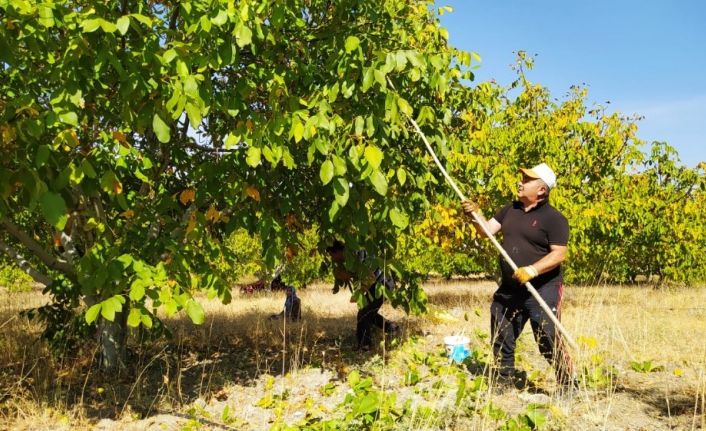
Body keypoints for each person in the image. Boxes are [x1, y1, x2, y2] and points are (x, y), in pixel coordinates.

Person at [462, 163, 575, 389]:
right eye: (522, 178)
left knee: (547, 335)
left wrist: (533, 270)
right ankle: (504, 380)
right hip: (511, 286)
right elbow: (486, 231)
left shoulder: (554, 219)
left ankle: (567, 383)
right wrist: (475, 215)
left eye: (527, 180)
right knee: (501, 327)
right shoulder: (509, 210)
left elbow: (559, 254)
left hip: (543, 288)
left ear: (542, 190)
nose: (520, 182)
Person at [326, 240, 399, 351]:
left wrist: (348, 275)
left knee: (364, 314)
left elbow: (366, 274)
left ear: (338, 251)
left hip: (382, 283)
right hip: (376, 284)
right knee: (369, 313)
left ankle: (365, 345)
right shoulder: (350, 257)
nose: (332, 258)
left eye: (332, 254)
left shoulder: (356, 253)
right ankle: (392, 328)